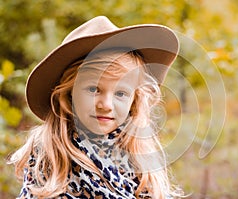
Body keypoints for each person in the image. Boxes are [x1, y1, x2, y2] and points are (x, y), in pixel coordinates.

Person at [8, 16, 181, 199]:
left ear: (134, 100)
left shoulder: (139, 159)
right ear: (69, 92)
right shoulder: (50, 155)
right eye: (94, 89)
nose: (106, 105)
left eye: (120, 94)